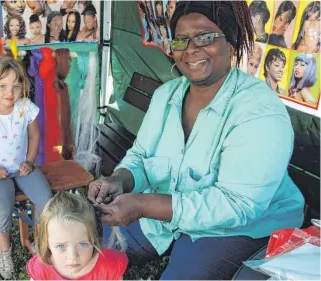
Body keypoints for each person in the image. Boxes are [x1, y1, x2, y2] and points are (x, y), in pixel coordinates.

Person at [89, 1, 305, 280]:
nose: (191, 48)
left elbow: (236, 205)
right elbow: (141, 154)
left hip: (238, 226)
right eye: (181, 39)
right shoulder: (167, 95)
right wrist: (120, 179)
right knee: (104, 248)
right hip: (168, 210)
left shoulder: (259, 111)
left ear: (232, 42)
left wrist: (143, 205)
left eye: (205, 37)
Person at [0, 55, 52, 279]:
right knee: (3, 203)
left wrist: (30, 162)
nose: (10, 92)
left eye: (16, 86)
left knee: (45, 198)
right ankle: (5, 249)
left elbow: (34, 137)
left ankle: (39, 241)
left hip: (22, 168)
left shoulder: (25, 107)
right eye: (3, 85)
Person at [26, 192, 128, 280]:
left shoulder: (109, 268)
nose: (72, 257)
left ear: (94, 238)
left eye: (82, 244)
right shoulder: (41, 270)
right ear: (47, 243)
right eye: (61, 246)